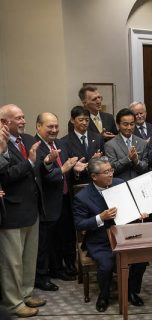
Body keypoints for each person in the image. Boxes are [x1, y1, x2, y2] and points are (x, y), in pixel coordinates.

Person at [73, 157, 148, 312]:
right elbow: (79, 224)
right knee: (106, 265)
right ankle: (104, 295)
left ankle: (131, 291)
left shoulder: (120, 183)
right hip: (100, 240)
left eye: (111, 170)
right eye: (106, 172)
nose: (110, 175)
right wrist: (101, 217)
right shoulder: (82, 197)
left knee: (141, 259)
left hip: (124, 235)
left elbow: (131, 205)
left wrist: (138, 213)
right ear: (94, 176)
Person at [0, 104, 47, 318]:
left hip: (31, 209)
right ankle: (14, 303)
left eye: (23, 117)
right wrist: (29, 161)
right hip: (11, 211)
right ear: (4, 122)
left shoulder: (27, 140)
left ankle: (26, 293)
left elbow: (34, 170)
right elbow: (5, 176)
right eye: (18, 118)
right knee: (12, 262)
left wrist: (44, 162)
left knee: (29, 258)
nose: (23, 121)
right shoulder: (1, 145)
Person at [34, 113, 87, 291]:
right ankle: (43, 276)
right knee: (46, 242)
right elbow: (44, 176)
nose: (54, 130)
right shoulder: (36, 147)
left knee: (64, 236)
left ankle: (60, 269)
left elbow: (69, 170)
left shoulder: (61, 144)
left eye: (56, 126)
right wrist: (63, 169)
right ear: (38, 127)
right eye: (50, 127)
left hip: (65, 198)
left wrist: (76, 170)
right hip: (47, 202)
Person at [62, 106, 104, 185]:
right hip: (77, 184)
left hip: (97, 182)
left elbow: (105, 160)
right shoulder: (64, 141)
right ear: (72, 120)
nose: (84, 123)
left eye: (87, 120)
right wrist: (76, 170)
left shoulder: (98, 138)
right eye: (81, 120)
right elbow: (65, 168)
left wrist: (97, 161)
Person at [105, 108, 149, 181]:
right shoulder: (110, 145)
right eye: (125, 124)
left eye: (132, 124)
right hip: (120, 184)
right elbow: (111, 169)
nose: (129, 127)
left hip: (139, 183)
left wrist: (136, 161)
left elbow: (146, 167)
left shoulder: (142, 143)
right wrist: (128, 158)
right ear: (118, 125)